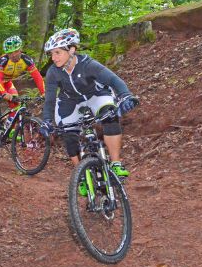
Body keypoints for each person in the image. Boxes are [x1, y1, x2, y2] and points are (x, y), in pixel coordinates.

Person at [39, 28, 139, 195]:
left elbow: (114, 80)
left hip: (96, 95)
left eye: (57, 52)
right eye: (51, 54)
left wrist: (126, 96)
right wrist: (47, 120)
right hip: (69, 102)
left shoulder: (88, 64)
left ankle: (116, 163)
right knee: (68, 133)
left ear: (71, 49)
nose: (53, 58)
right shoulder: (53, 72)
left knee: (110, 114)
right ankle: (81, 174)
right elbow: (50, 99)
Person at [0, 35, 46, 148]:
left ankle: (11, 129)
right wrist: (4, 93)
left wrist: (44, 93)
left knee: (16, 104)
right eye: (10, 53)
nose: (13, 55)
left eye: (15, 51)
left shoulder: (27, 60)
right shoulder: (3, 60)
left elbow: (37, 77)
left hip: (7, 83)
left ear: (20, 49)